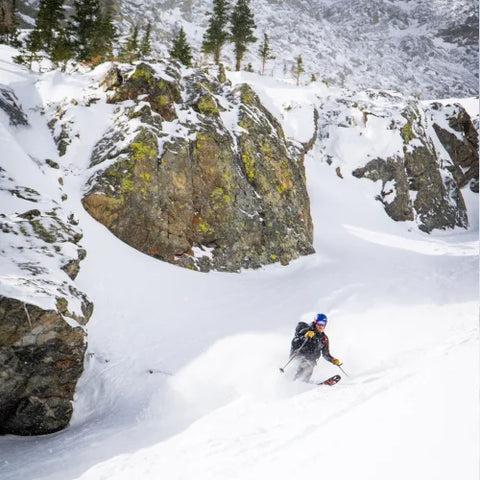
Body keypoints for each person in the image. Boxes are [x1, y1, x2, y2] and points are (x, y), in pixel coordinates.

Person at [290, 313, 341, 382]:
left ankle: (302, 385)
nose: (321, 326)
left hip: (311, 361)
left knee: (308, 370)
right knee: (306, 367)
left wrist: (332, 360)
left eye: (323, 323)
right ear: (315, 322)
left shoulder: (324, 339)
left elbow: (325, 354)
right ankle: (295, 383)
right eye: (319, 323)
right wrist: (304, 336)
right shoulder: (306, 330)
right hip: (299, 356)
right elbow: (294, 342)